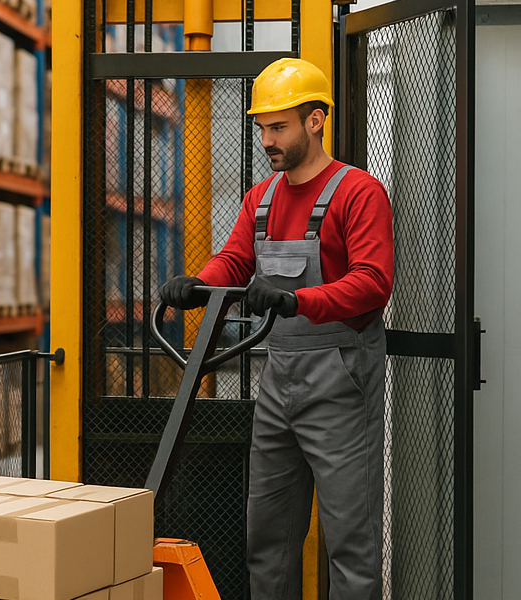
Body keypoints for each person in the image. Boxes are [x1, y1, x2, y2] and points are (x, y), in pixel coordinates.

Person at [159, 58, 394, 599]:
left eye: (279, 126)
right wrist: (197, 285)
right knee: (267, 535)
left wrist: (295, 300)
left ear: (316, 120)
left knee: (350, 542)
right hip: (279, 382)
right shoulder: (260, 199)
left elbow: (373, 283)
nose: (267, 139)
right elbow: (235, 261)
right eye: (261, 127)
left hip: (341, 382)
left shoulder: (359, 193)